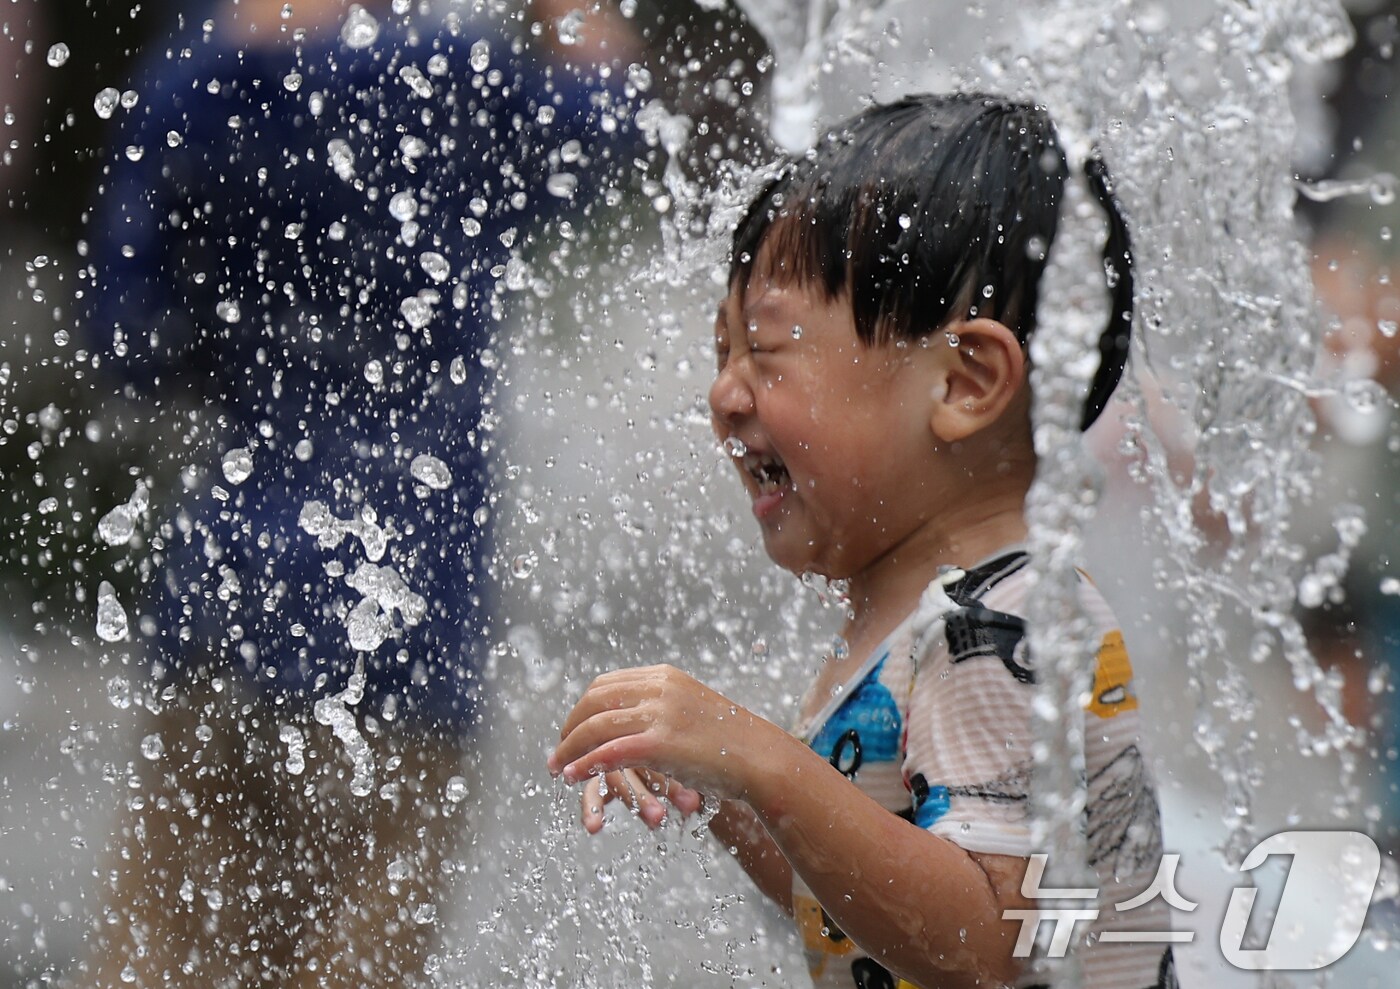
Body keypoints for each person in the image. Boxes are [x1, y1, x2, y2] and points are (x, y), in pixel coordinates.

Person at [548, 94, 1176, 989]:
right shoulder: (917, 623)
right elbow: (858, 916)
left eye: (765, 350)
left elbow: (992, 940)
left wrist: (762, 762)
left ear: (963, 382)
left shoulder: (1006, 624)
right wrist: (732, 794)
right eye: (721, 353)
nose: (725, 395)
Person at [76, 1, 636, 986]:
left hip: (223, 589)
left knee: (164, 951)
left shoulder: (193, 68)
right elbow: (612, 134)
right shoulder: (450, 63)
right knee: (354, 961)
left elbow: (126, 338)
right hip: (402, 611)